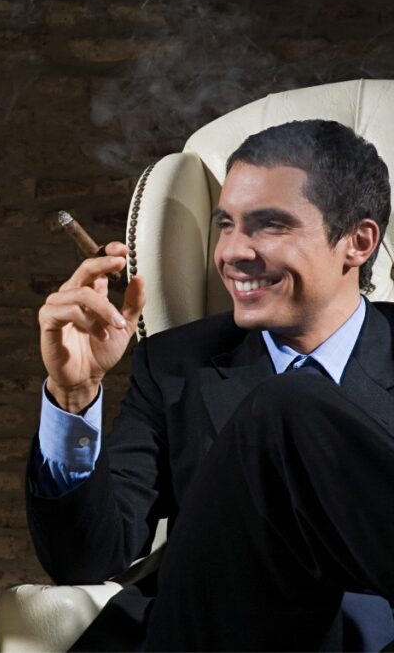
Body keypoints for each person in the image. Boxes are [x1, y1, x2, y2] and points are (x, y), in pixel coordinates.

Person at [30, 119, 394, 650]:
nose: (232, 252)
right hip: (219, 632)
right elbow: (86, 561)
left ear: (358, 242)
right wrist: (73, 396)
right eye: (226, 224)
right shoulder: (176, 366)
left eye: (269, 225)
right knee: (285, 405)